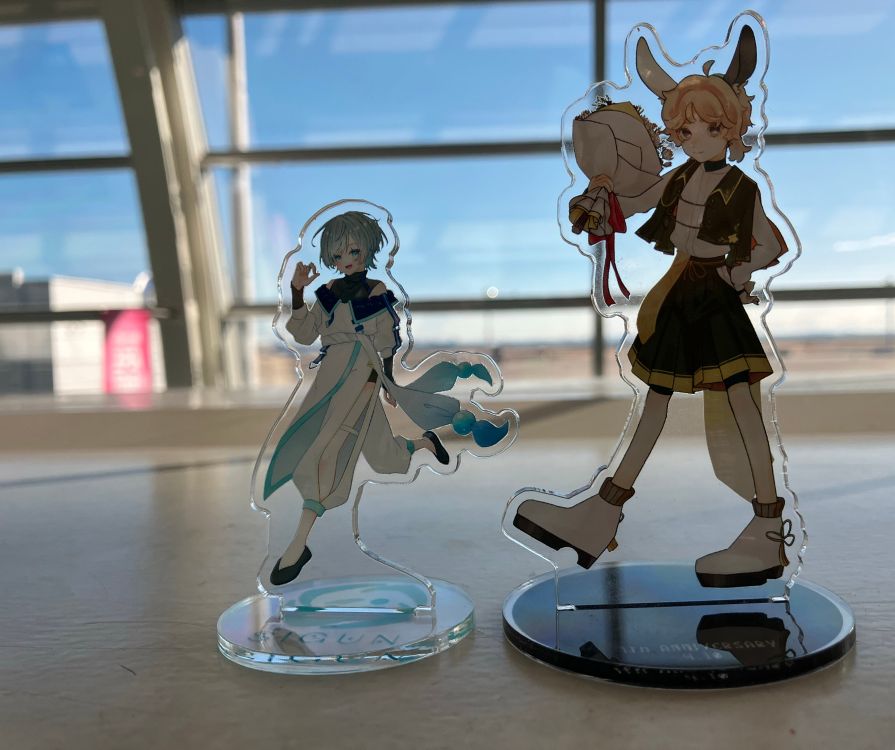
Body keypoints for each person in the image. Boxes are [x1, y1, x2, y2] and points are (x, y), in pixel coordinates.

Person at [514, 26, 792, 588]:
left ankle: (767, 529)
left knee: (743, 407)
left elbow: (771, 244)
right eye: (685, 130)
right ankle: (602, 513)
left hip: (714, 299)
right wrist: (600, 193)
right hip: (679, 296)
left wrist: (737, 271)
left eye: (709, 128)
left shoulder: (741, 187)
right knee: (654, 404)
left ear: (731, 127)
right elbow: (637, 199)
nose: (695, 139)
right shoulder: (681, 175)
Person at [263, 211, 506, 586]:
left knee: (326, 453)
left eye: (353, 251)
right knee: (382, 459)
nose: (346, 260)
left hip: (362, 376)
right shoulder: (326, 293)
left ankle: (298, 545)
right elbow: (306, 332)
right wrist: (297, 292)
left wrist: (386, 381)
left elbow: (387, 341)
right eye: (338, 254)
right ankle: (424, 442)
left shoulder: (377, 293)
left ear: (367, 249)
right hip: (328, 382)